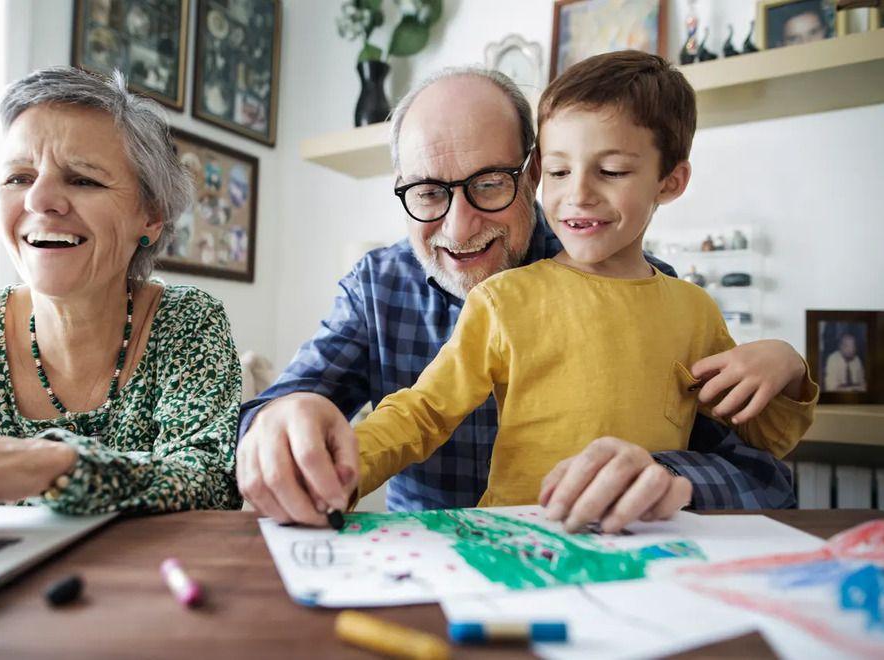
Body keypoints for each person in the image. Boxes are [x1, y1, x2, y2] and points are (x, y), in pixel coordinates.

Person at [238, 65, 809, 530]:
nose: (459, 228)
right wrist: (283, 427)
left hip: (633, 560)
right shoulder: (380, 285)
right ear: (549, 171)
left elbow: (766, 475)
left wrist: (669, 475)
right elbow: (407, 414)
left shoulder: (672, 301)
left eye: (489, 183)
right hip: (463, 563)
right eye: (429, 191)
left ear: (527, 175)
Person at [0, 67, 242, 520]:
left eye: (83, 179)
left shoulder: (185, 322)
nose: (39, 201)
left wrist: (55, 466)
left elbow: (211, 480)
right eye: (18, 177)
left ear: (150, 216)